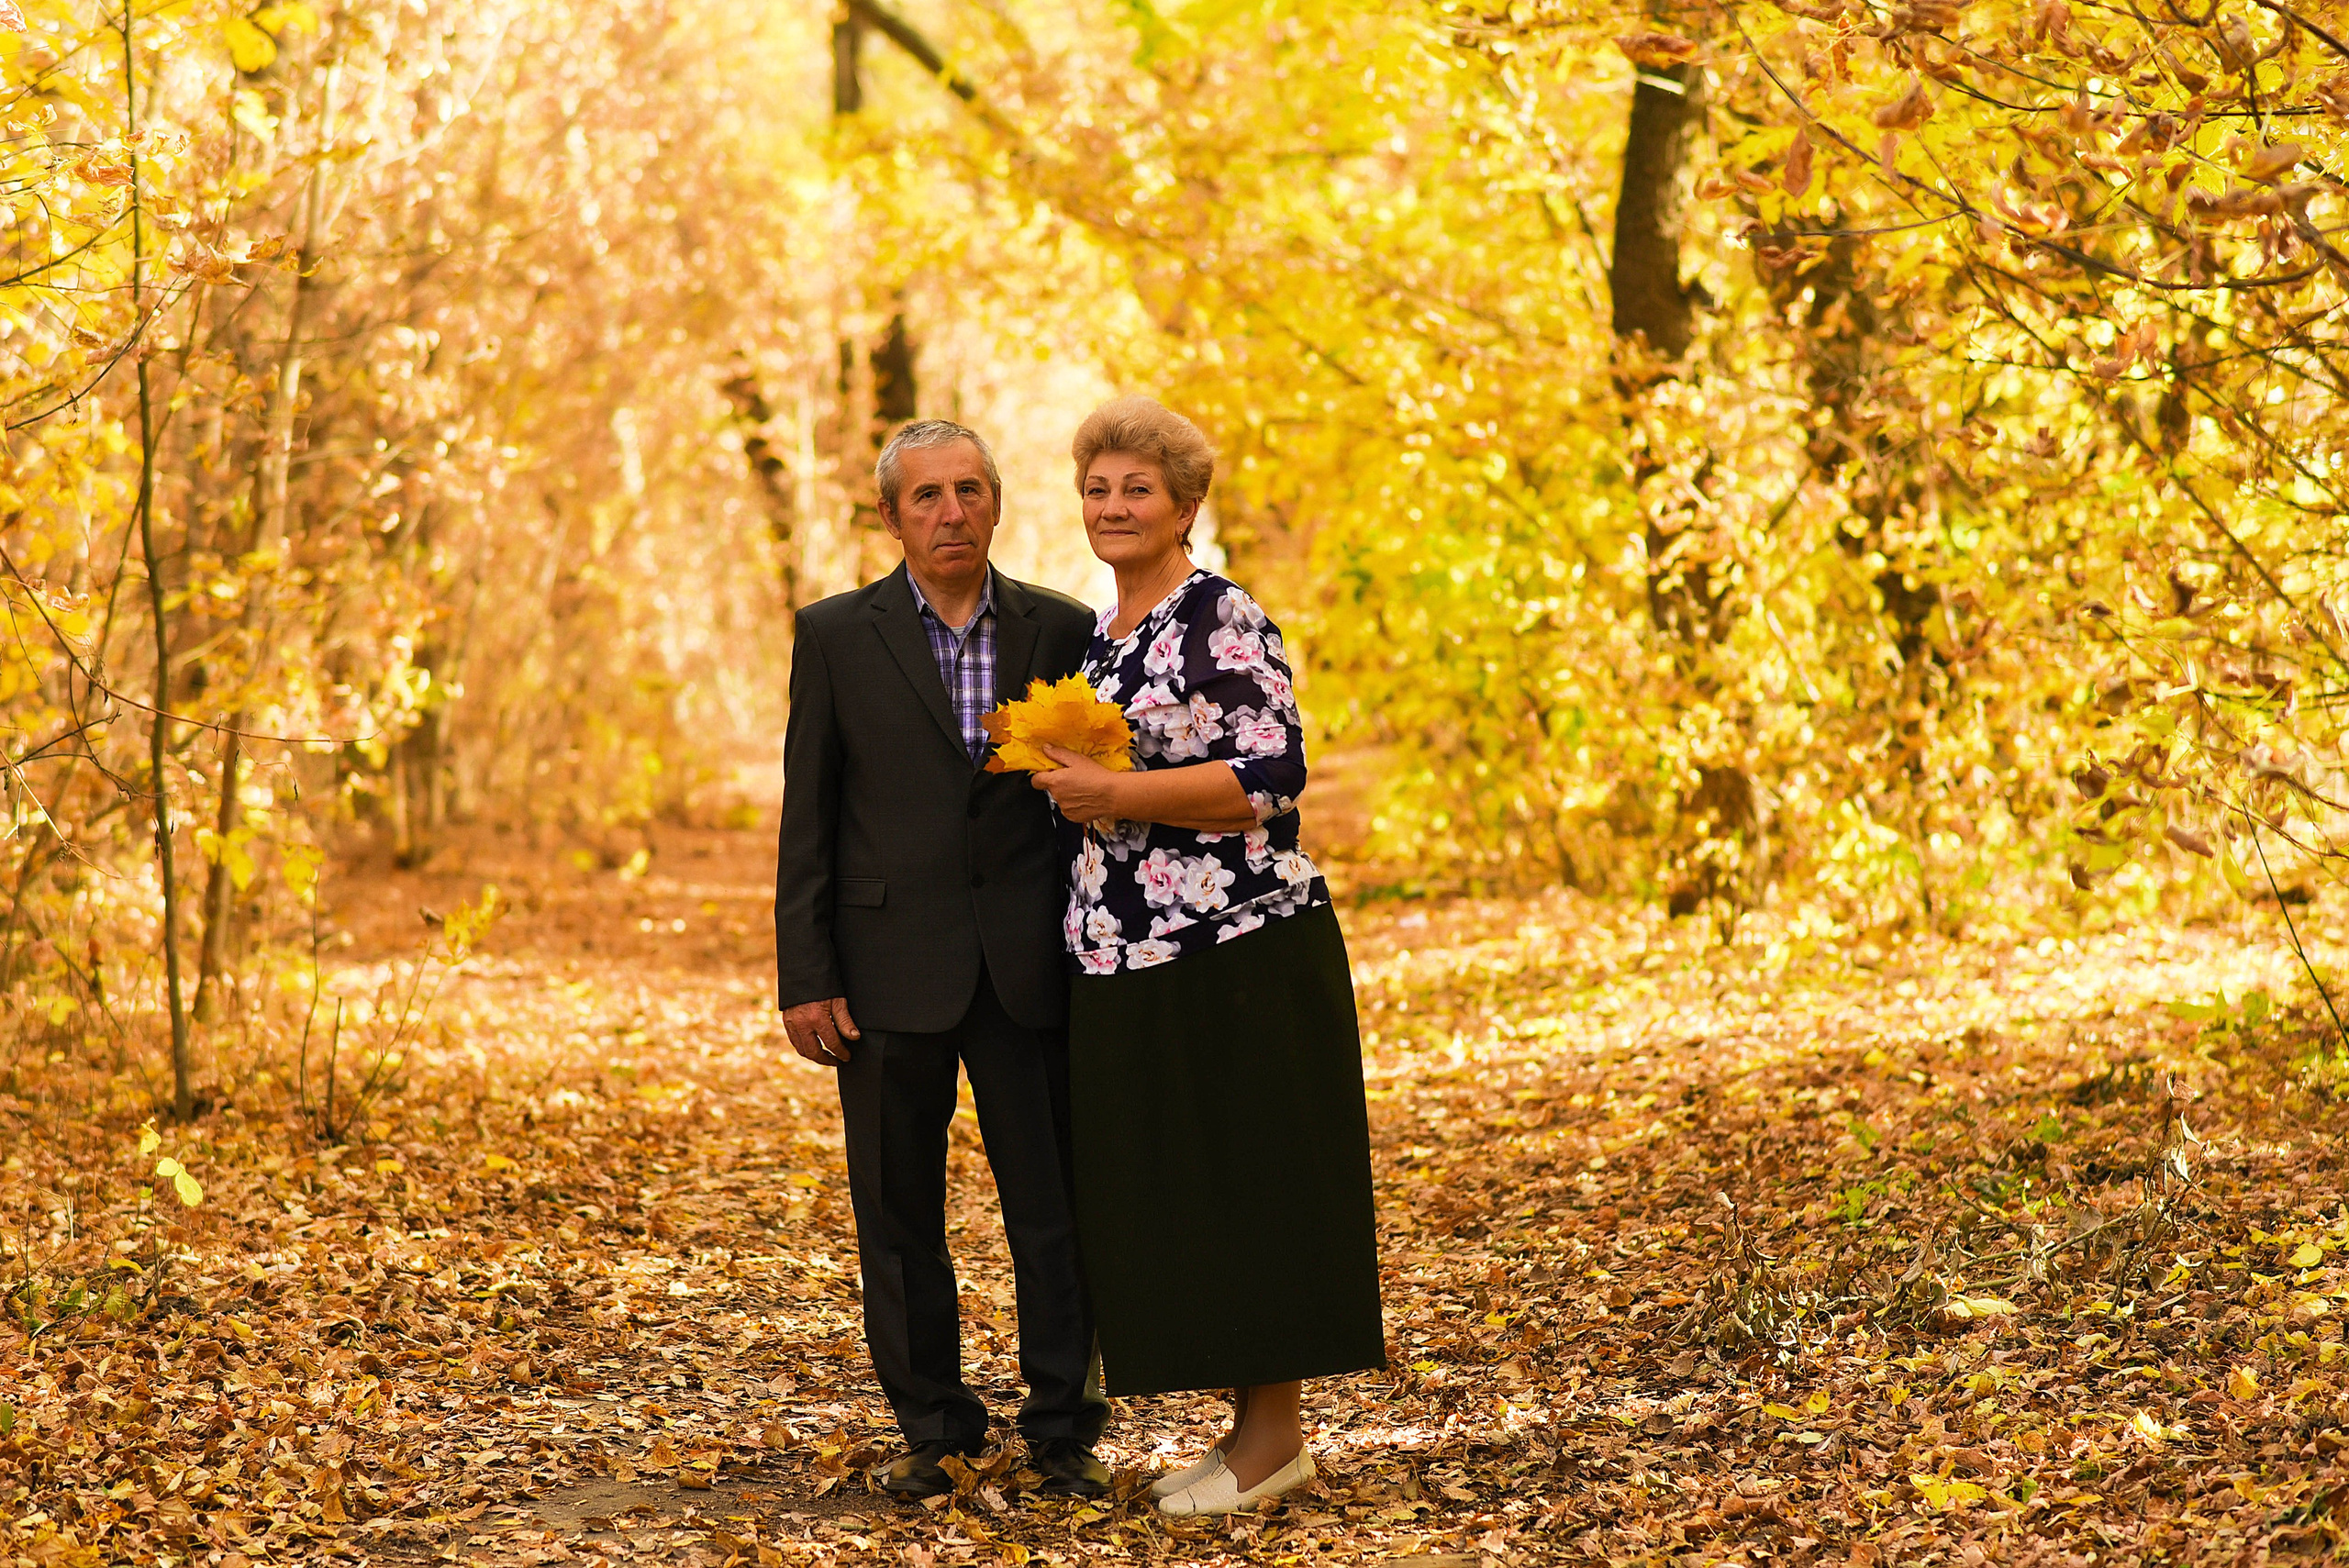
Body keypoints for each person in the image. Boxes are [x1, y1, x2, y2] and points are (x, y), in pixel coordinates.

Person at [1027, 395, 1385, 1517]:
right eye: (1097, 487)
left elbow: (1272, 775)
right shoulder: (1103, 633)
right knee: (1181, 1194)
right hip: (1129, 959)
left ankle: (1274, 1440)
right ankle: (1243, 1436)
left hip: (1236, 946)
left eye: (1137, 487)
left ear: (1185, 503)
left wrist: (1113, 792)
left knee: (1252, 1184)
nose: (1114, 504)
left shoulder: (1216, 615)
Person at [774, 418, 1110, 1500]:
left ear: (998, 504)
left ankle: (1064, 1426)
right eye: (926, 495)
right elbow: (809, 813)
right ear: (890, 515)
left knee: (1053, 1208)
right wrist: (805, 970)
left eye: (969, 489)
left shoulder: (1061, 626)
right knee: (898, 1209)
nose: (950, 511)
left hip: (1029, 964)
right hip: (883, 970)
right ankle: (937, 1426)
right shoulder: (835, 634)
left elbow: (1094, 796)